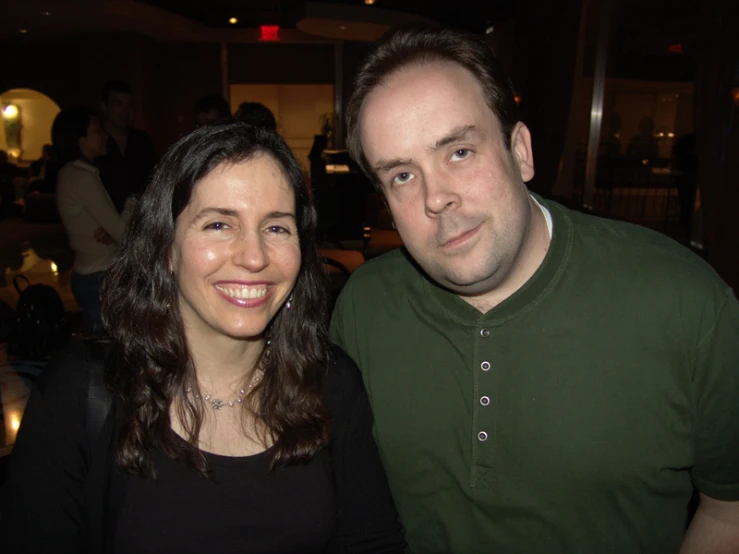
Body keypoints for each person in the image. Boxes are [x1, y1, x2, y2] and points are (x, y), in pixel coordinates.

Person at [331, 26, 739, 553]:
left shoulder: (683, 302)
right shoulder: (363, 308)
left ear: (520, 151)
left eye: (458, 151)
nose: (437, 198)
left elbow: (729, 507)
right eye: (403, 176)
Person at [0, 120, 405, 553]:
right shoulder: (83, 390)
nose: (253, 257)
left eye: (276, 227)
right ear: (166, 248)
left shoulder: (331, 383)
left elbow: (371, 541)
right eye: (218, 224)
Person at [51, 107, 130, 334]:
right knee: (105, 351)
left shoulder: (73, 173)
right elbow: (121, 232)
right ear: (80, 139)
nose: (104, 137)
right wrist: (133, 203)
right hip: (97, 276)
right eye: (97, 131)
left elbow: (105, 228)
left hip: (91, 271)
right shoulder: (81, 177)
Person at [96, 79, 157, 212]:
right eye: (119, 104)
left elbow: (154, 180)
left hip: (140, 218)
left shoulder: (142, 141)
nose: (126, 111)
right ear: (104, 106)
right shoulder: (95, 144)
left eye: (129, 105)